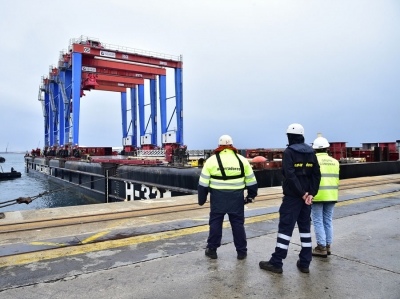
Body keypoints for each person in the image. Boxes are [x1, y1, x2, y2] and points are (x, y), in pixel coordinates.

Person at [259, 123, 321, 274]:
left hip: (293, 197)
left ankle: (277, 262)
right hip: (306, 198)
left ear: (289, 136)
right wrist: (311, 193)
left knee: (285, 229)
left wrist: (301, 193)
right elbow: (316, 174)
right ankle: (305, 262)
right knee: (305, 230)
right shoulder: (311, 152)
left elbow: (290, 175)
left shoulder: (289, 152)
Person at [198, 134, 258, 260]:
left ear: (219, 146)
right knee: (238, 224)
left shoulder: (211, 160)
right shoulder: (242, 160)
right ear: (231, 145)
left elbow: (203, 183)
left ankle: (212, 250)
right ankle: (241, 252)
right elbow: (252, 181)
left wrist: (201, 200)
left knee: (215, 223)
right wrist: (250, 196)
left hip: (218, 199)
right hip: (236, 198)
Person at [311, 134, 340, 257]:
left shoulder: (313, 161)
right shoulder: (335, 162)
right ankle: (328, 245)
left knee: (318, 221)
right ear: (327, 148)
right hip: (332, 195)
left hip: (317, 195)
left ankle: (321, 247)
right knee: (328, 221)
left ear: (314, 149)